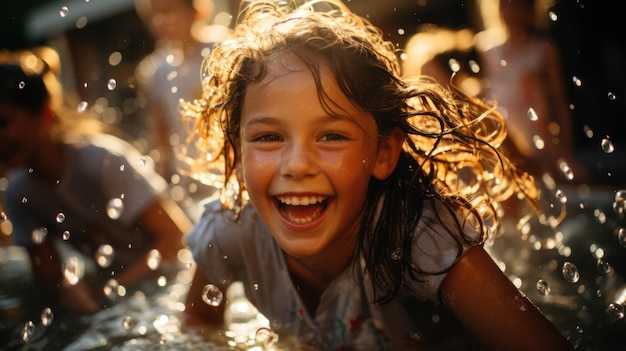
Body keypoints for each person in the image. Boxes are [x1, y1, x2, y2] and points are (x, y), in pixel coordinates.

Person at [181, 1, 574, 350]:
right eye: (269, 137)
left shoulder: (421, 240)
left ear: (384, 152)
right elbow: (198, 323)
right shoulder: (230, 228)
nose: (297, 165)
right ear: (237, 149)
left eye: (331, 135)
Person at [0, 48, 192, 314]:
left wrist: (107, 291)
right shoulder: (19, 192)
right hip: (123, 289)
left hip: (173, 279)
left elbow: (177, 238)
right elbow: (48, 281)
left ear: (44, 114)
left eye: (3, 122)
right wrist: (72, 293)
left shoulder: (101, 161)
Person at [134, 0, 228, 221]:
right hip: (190, 181)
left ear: (197, 10)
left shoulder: (221, 49)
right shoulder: (155, 72)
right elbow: (161, 134)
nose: (161, 22)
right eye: (154, 16)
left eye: (168, 12)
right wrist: (161, 180)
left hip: (230, 169)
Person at [478, 0, 587, 185]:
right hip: (501, 138)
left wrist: (567, 154)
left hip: (538, 139)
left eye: (518, 6)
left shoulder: (544, 50)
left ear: (531, 12)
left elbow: (559, 101)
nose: (512, 13)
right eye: (506, 6)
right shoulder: (485, 47)